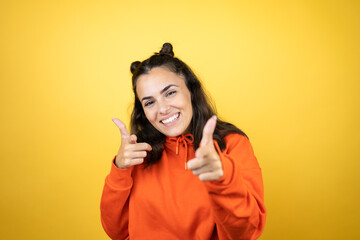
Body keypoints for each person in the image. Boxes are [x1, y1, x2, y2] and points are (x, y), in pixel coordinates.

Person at [100, 43, 266, 240]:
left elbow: (245, 233)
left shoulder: (232, 144)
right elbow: (116, 232)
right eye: (150, 102)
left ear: (191, 90)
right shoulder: (138, 153)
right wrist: (119, 169)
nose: (162, 109)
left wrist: (223, 179)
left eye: (170, 93)